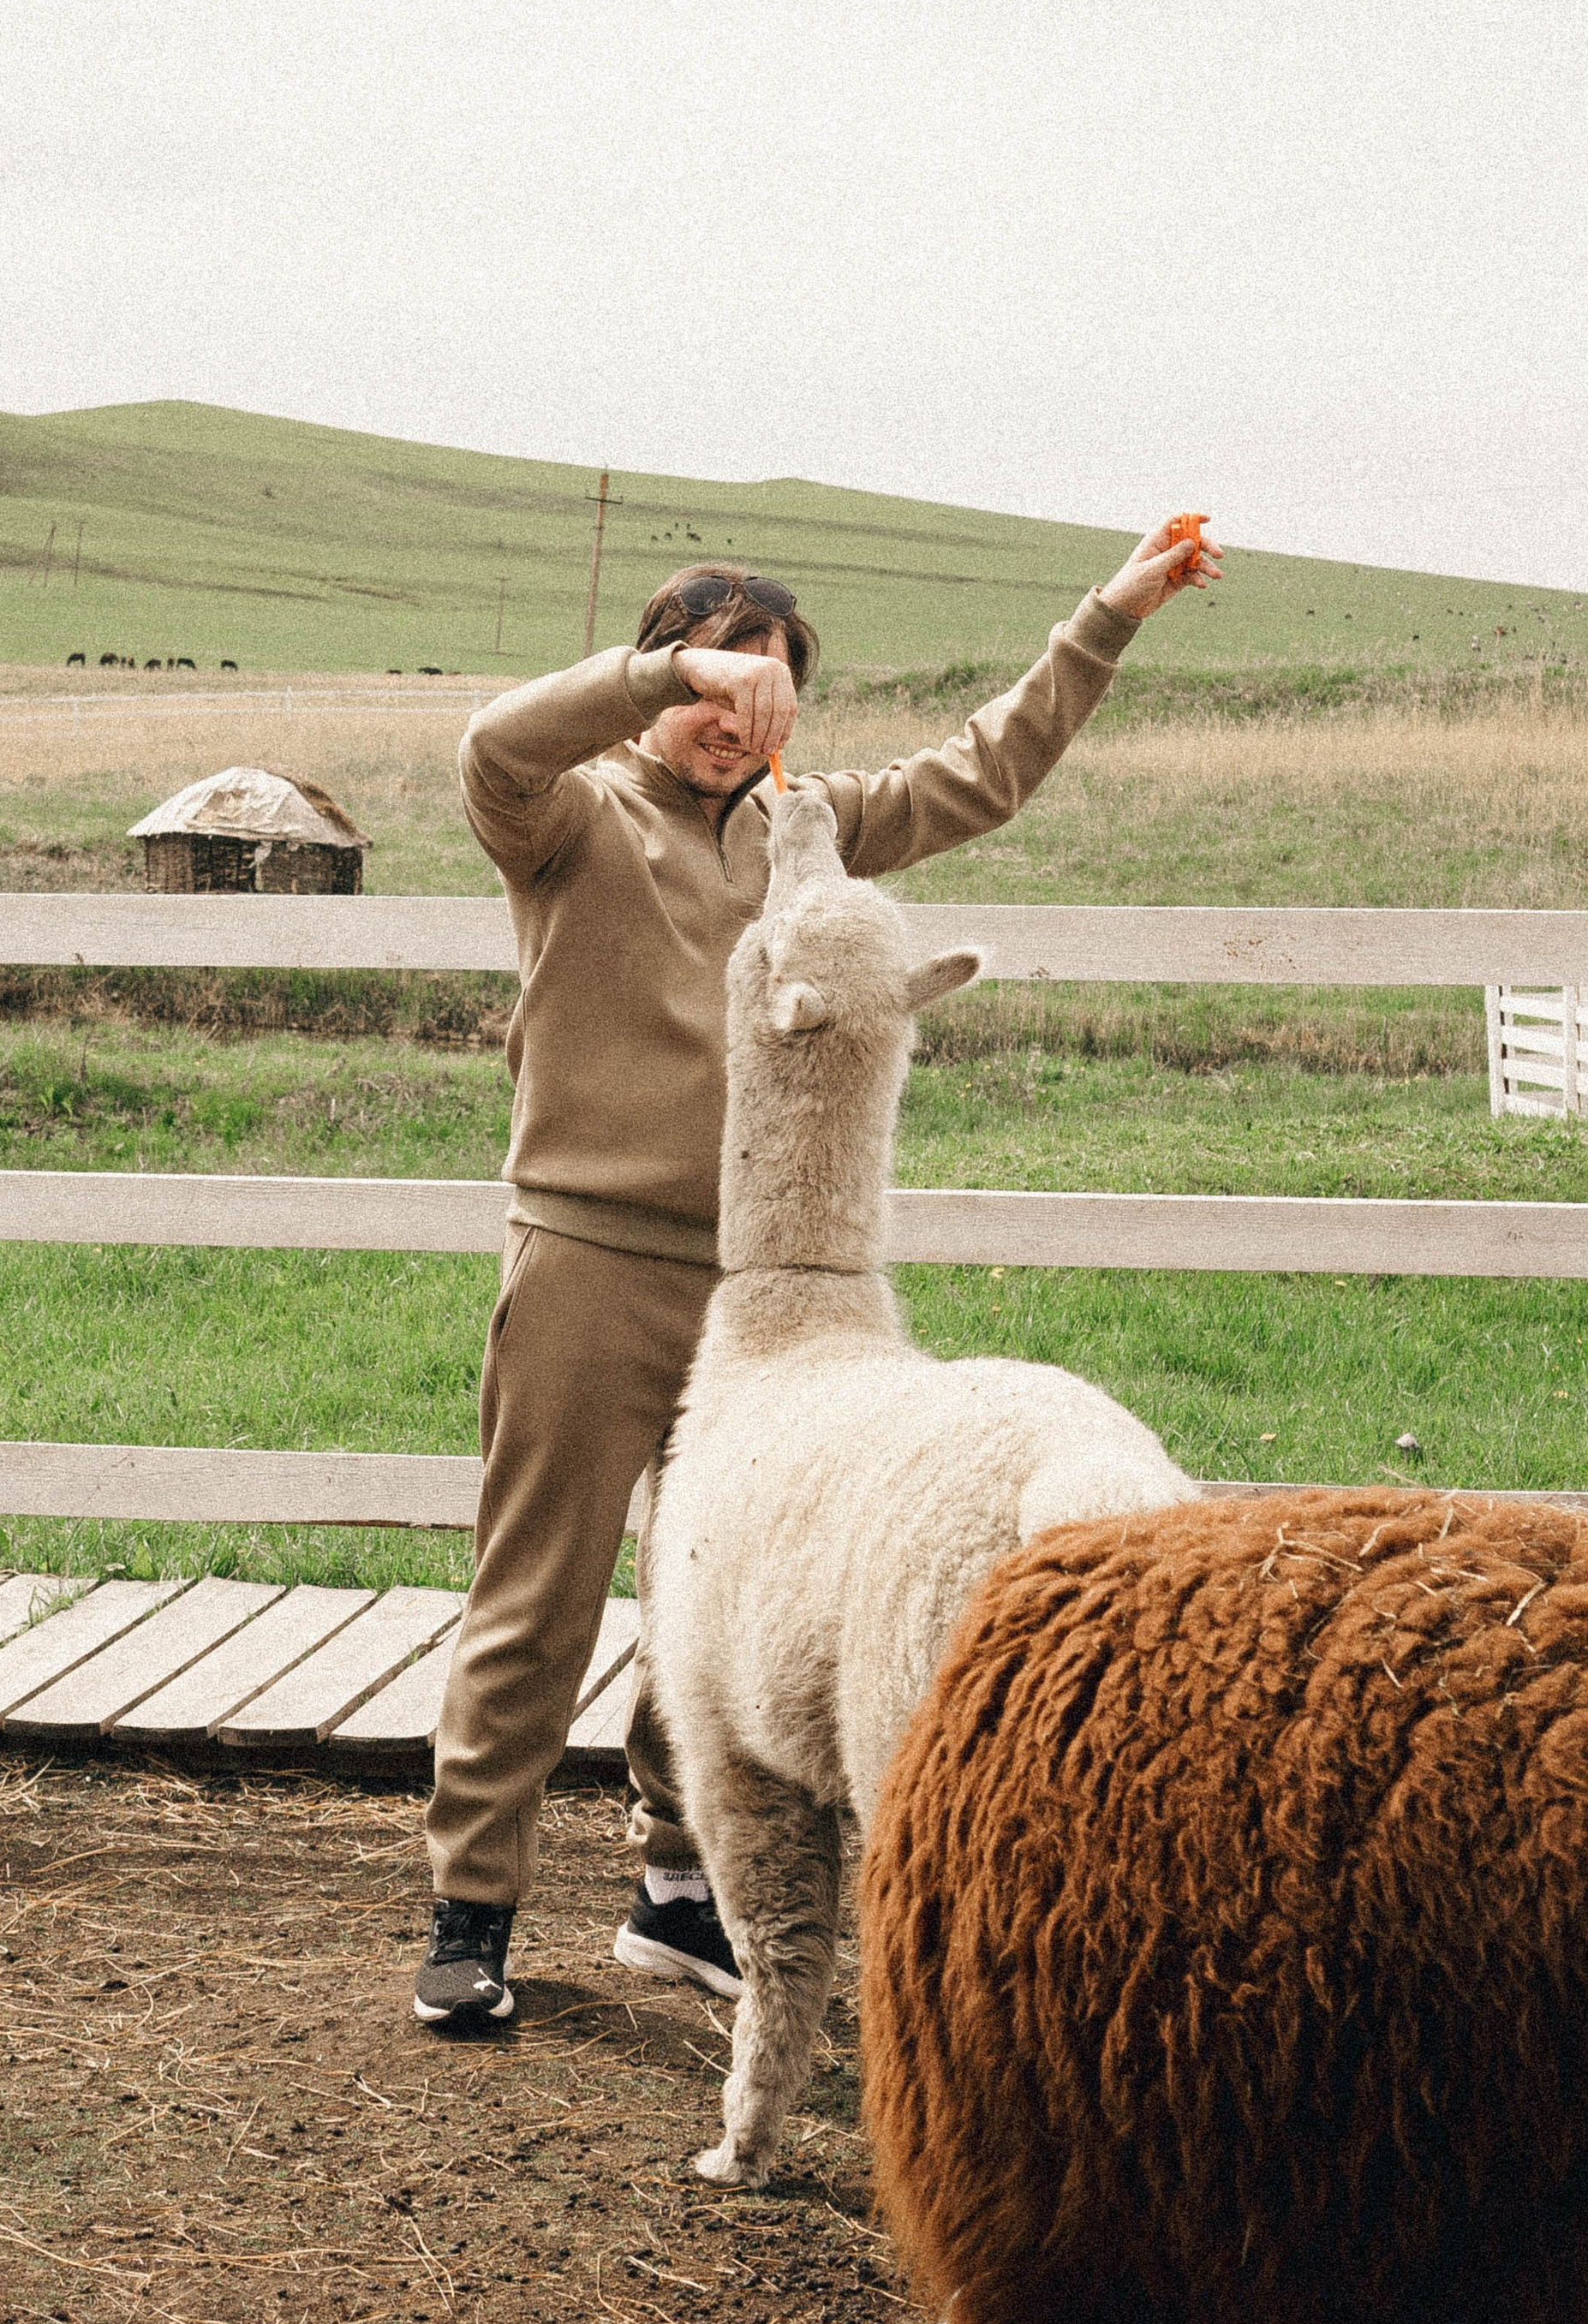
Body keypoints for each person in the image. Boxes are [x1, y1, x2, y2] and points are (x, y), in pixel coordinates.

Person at [412, 515, 1221, 2028]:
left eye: (768, 691)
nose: (734, 720)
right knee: (542, 1593)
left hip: (766, 1299)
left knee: (716, 1592)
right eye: (714, 687)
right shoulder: (570, 819)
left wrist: (1109, 613)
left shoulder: (815, 833)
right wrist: (668, 668)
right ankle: (472, 1912)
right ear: (661, 681)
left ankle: (679, 1891)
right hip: (591, 1258)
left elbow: (988, 769)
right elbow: (491, 742)